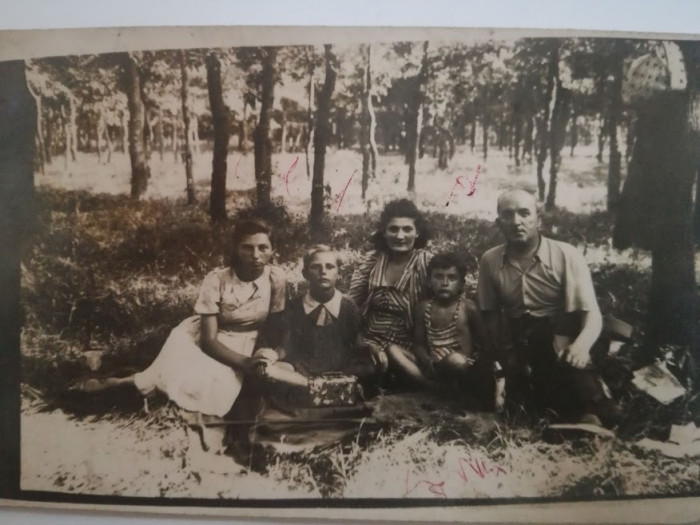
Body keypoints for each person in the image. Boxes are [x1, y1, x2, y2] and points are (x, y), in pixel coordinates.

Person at [71, 219, 286, 420]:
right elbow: (209, 341)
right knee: (182, 382)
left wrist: (264, 354)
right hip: (209, 338)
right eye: (247, 247)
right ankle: (117, 384)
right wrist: (245, 362)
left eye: (263, 248)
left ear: (273, 250)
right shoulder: (217, 280)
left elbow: (275, 324)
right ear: (236, 250)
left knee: (218, 388)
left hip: (250, 340)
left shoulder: (276, 278)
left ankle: (137, 382)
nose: (255, 255)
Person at [477, 189, 620, 426]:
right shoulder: (490, 261)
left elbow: (590, 313)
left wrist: (581, 347)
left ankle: (594, 411)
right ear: (498, 222)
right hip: (518, 337)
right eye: (508, 215)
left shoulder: (566, 255)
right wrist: (501, 351)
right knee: (513, 399)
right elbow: (490, 314)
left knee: (568, 362)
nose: (516, 222)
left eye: (524, 213)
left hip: (561, 333)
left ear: (539, 219)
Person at [257, 245, 372, 392]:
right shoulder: (295, 306)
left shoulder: (348, 306)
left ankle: (326, 386)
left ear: (339, 272)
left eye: (329, 267)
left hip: (341, 370)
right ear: (305, 273)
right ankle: (317, 387)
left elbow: (358, 345)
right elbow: (286, 347)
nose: (323, 271)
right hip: (301, 370)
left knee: (370, 366)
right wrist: (271, 356)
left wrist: (371, 351)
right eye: (315, 267)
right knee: (269, 369)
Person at [348, 199, 432, 387]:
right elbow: (351, 305)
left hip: (407, 347)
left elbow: (446, 304)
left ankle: (432, 389)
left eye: (407, 229)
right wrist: (361, 342)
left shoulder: (426, 262)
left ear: (417, 232)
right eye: (393, 229)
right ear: (384, 232)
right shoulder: (372, 260)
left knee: (392, 362)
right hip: (369, 342)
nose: (400, 236)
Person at [412, 251, 495, 409]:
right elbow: (418, 344)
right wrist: (426, 360)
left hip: (461, 367)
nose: (444, 283)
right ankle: (434, 388)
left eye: (452, 278)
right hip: (433, 366)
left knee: (455, 360)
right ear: (429, 281)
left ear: (462, 284)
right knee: (394, 351)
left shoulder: (468, 307)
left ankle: (455, 392)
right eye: (438, 277)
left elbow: (485, 345)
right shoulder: (422, 308)